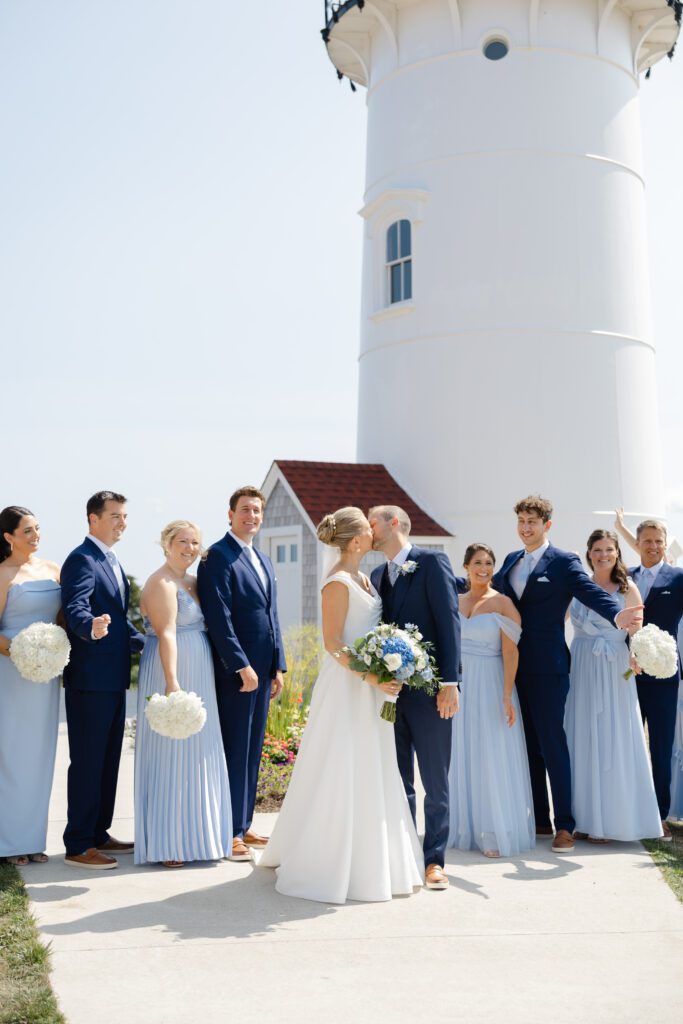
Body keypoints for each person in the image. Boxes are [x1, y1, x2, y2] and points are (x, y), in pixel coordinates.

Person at [260, 507, 423, 902]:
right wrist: (372, 676)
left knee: (374, 763)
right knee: (343, 762)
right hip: (350, 685)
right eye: (368, 531)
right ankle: (330, 860)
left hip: (373, 686)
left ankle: (373, 858)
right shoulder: (336, 583)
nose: (374, 534)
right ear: (355, 541)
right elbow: (333, 643)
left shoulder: (365, 578)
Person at [491, 496, 643, 854]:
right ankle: (540, 819)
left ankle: (565, 825)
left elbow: (589, 591)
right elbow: (487, 589)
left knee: (552, 744)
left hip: (549, 667)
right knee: (527, 745)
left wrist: (616, 614)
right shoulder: (512, 560)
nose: (526, 527)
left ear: (547, 525)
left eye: (532, 521)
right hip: (511, 664)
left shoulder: (563, 561)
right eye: (521, 521)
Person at [369, 505, 461, 891]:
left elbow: (448, 621)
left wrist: (450, 683)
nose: (367, 529)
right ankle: (405, 856)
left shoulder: (432, 561)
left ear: (393, 524)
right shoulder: (376, 575)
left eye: (372, 522)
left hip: (430, 691)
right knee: (399, 779)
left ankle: (434, 861)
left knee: (435, 781)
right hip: (391, 695)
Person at [134, 521, 232, 867]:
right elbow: (167, 635)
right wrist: (172, 683)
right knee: (172, 752)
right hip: (171, 667)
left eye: (194, 542)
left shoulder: (192, 581)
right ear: (166, 544)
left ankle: (200, 837)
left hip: (200, 664)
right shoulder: (160, 583)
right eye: (182, 541)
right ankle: (169, 841)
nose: (189, 548)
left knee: (199, 752)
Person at [197, 486, 286, 862]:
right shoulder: (217, 557)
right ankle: (229, 830)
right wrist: (241, 664)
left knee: (251, 751)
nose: (251, 516)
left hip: (263, 671)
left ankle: (245, 823)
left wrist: (277, 664)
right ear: (230, 514)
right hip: (237, 672)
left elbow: (271, 615)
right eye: (245, 510)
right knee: (234, 748)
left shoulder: (263, 559)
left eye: (257, 510)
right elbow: (219, 617)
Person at [61, 491, 145, 869]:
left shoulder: (111, 560)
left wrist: (148, 641)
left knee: (108, 760)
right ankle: (78, 844)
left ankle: (98, 831)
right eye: (114, 516)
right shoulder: (82, 559)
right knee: (88, 762)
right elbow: (76, 605)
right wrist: (88, 627)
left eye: (124, 516)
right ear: (93, 519)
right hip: (89, 678)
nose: (121, 522)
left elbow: (116, 615)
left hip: (113, 678)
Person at [564, 530, 661, 843]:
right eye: (596, 549)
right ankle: (584, 819)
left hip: (613, 666)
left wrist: (637, 657)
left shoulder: (627, 587)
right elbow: (557, 618)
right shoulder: (578, 586)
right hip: (581, 665)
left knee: (611, 737)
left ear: (618, 553)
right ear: (588, 553)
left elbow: (637, 633)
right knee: (581, 737)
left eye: (608, 549)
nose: (602, 555)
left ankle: (611, 820)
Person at [448, 543, 534, 858]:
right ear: (466, 567)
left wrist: (507, 695)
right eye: (477, 563)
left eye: (488, 563)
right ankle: (463, 827)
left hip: (491, 681)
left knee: (490, 751)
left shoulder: (503, 604)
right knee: (463, 749)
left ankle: (494, 829)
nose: (483, 568)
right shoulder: (454, 602)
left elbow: (511, 652)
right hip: (460, 683)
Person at [613, 512, 683, 839]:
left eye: (658, 541)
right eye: (647, 541)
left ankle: (660, 817)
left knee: (661, 745)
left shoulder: (678, 577)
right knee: (626, 743)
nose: (652, 546)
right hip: (625, 673)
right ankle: (627, 811)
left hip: (664, 676)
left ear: (664, 544)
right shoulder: (623, 577)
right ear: (637, 544)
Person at [0, 506, 61, 866]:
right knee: (11, 753)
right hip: (11, 671)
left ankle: (32, 838)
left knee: (40, 754)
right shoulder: (2, 574)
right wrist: (23, 652)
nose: (36, 536)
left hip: (46, 675)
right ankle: (7, 842)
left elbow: (61, 618)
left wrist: (52, 654)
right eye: (27, 531)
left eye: (37, 528)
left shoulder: (53, 570)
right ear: (8, 537)